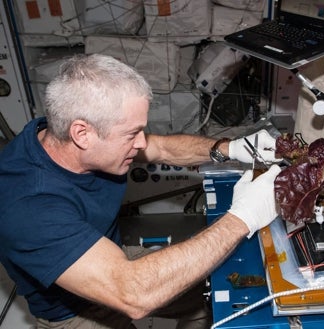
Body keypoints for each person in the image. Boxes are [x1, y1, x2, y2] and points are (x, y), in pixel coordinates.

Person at [0, 54, 282, 329]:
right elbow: (133, 292)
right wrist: (242, 217)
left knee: (209, 291)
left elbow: (159, 147)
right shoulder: (27, 205)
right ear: (82, 134)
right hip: (74, 310)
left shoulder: (64, 135)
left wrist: (228, 148)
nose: (140, 143)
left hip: (111, 256)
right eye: (131, 134)